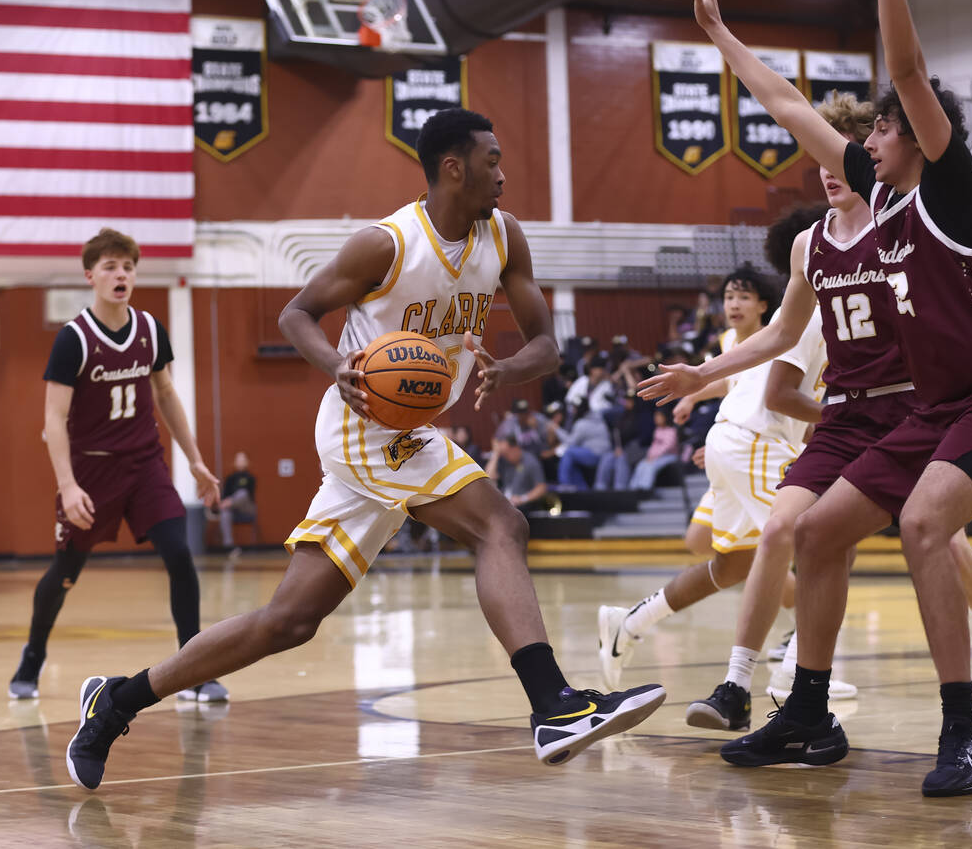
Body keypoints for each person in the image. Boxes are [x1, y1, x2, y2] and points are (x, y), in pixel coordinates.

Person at [62, 109, 664, 791]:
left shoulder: (505, 237)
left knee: (288, 622)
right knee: (502, 523)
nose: (504, 173)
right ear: (453, 168)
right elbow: (296, 312)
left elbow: (546, 345)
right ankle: (553, 704)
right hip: (361, 424)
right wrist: (336, 366)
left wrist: (504, 369)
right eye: (492, 160)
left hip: (413, 432)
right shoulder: (386, 244)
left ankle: (114, 701)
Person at [677, 0, 972, 797]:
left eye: (885, 128)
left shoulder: (953, 192)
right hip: (936, 408)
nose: (867, 144)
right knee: (817, 533)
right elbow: (789, 107)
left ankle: (967, 725)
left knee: (926, 524)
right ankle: (810, 714)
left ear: (919, 137)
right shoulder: (879, 199)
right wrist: (722, 36)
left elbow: (908, 68)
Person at [8, 228, 227, 707]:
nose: (120, 274)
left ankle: (192, 670)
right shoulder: (74, 339)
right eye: (110, 266)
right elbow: (53, 418)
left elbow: (166, 393)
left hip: (145, 465)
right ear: (91, 276)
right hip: (91, 474)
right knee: (66, 572)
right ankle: (32, 656)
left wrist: (195, 461)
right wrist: (67, 486)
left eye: (127, 266)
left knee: (180, 556)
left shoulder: (150, 329)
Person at [601, 256, 833, 695]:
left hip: (741, 443)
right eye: (729, 296)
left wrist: (699, 397)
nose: (734, 304)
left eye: (743, 295)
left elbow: (740, 382)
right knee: (816, 544)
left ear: (762, 302)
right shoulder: (803, 318)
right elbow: (769, 393)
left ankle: (630, 622)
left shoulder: (788, 325)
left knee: (733, 564)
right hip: (756, 443)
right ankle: (800, 673)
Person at [556, 400, 613, 490]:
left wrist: (556, 429)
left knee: (568, 453)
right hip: (606, 454)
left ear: (580, 409)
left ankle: (565, 486)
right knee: (573, 460)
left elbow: (570, 442)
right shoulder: (599, 418)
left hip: (596, 455)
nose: (572, 411)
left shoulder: (582, 423)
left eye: (575, 408)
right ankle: (581, 489)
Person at [485, 434, 548, 511]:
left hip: (523, 508)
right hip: (504, 504)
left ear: (515, 448)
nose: (505, 456)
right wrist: (496, 454)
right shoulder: (504, 461)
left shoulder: (530, 461)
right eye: (503, 454)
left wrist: (523, 499)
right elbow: (488, 478)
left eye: (506, 453)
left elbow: (541, 488)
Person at [217, 452, 257, 559]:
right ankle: (230, 547)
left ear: (247, 462)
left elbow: (248, 494)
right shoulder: (230, 478)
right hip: (232, 509)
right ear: (234, 462)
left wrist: (229, 501)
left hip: (246, 507)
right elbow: (225, 495)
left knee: (242, 493)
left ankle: (228, 503)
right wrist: (227, 501)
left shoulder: (250, 477)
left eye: (242, 460)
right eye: (238, 460)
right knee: (225, 514)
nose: (240, 462)